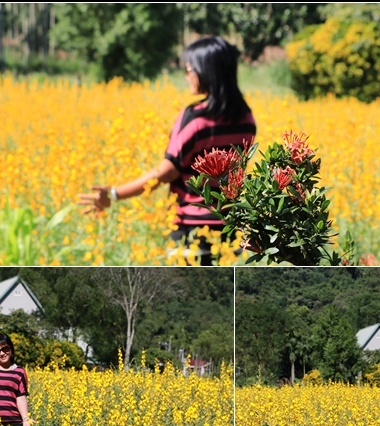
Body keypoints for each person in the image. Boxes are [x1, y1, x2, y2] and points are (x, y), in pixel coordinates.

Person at [78, 35, 257, 265]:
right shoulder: (246, 118)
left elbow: (165, 173)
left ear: (206, 71)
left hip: (191, 232)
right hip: (230, 232)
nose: (186, 75)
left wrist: (115, 194)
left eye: (189, 68)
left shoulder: (195, 119)